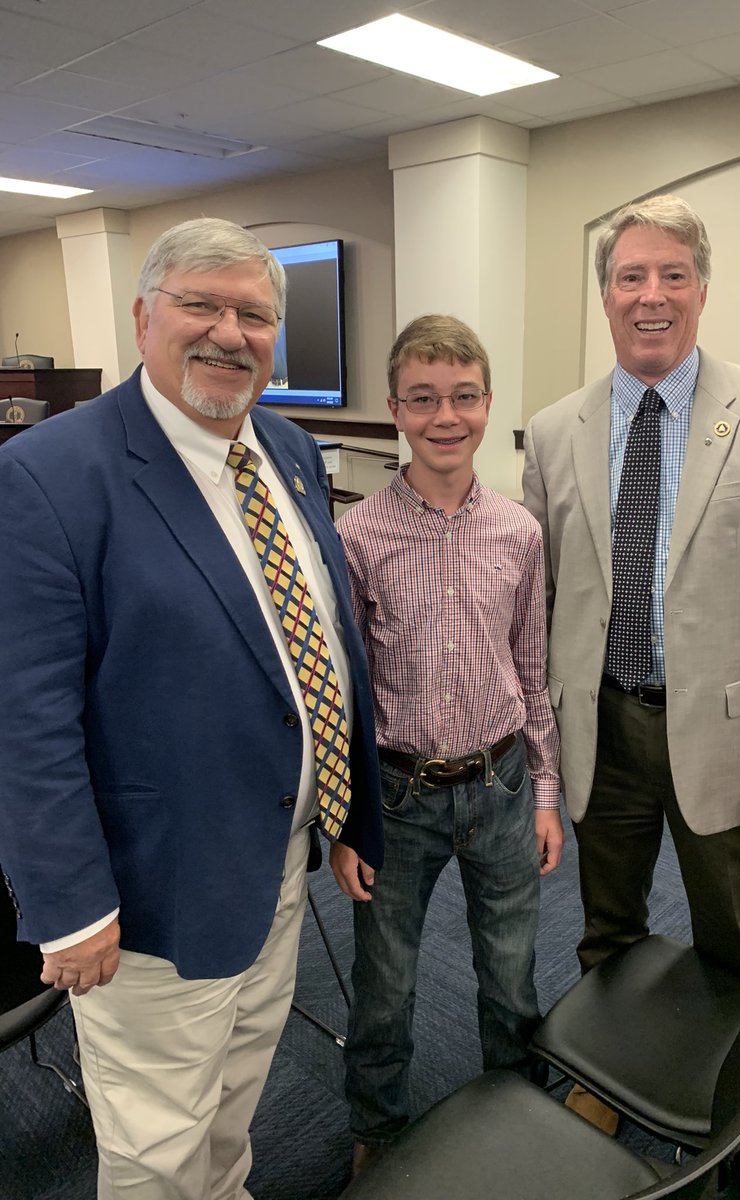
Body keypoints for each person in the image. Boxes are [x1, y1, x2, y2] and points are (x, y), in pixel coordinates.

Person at [0, 217, 383, 1200]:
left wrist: (345, 812)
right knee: (158, 1142)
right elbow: (25, 717)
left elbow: (321, 640)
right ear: (143, 318)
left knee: (236, 1091)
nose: (228, 332)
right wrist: (69, 904)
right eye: (200, 305)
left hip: (279, 860)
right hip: (151, 895)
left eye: (253, 314)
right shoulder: (49, 475)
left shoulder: (288, 449)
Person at [522, 195, 740, 1199]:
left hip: (731, 735)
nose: (650, 295)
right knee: (607, 928)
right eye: (631, 276)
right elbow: (540, 600)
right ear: (606, 296)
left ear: (701, 290)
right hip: (603, 724)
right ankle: (605, 1073)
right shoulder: (555, 430)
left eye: (672, 275)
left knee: (737, 942)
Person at [335, 314, 563, 1177]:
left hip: (501, 786)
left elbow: (532, 671)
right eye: (424, 399)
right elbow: (345, 696)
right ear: (396, 409)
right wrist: (346, 820)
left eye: (464, 397)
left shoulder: (519, 531)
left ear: (488, 404)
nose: (446, 416)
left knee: (511, 974)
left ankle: (517, 1116)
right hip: (398, 795)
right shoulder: (358, 538)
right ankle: (378, 1133)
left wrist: (546, 794)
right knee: (385, 985)